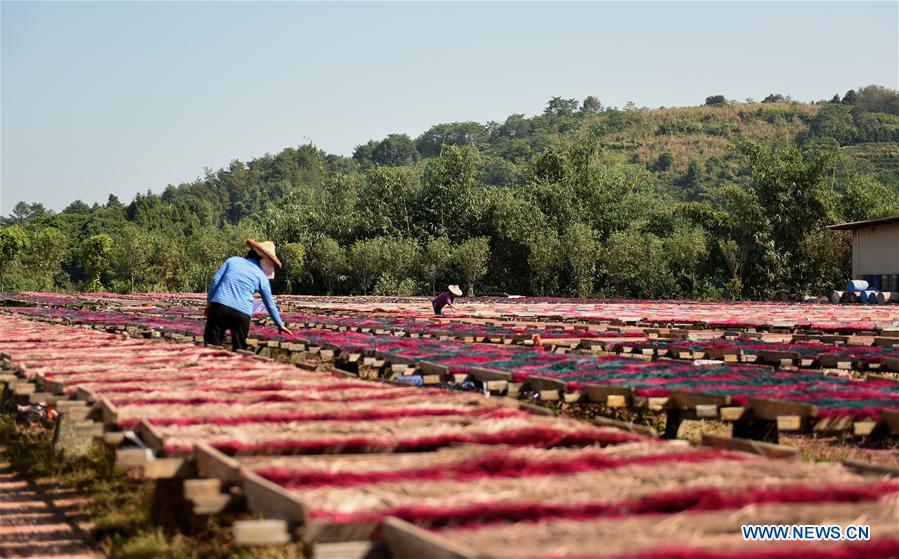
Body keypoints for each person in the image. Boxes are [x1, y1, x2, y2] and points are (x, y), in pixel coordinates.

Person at [204, 239, 292, 351]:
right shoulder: (262, 277)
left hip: (220, 306)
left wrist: (210, 303)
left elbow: (215, 281)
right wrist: (280, 324)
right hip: (242, 314)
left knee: (211, 347)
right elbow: (269, 303)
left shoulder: (233, 261)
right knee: (239, 350)